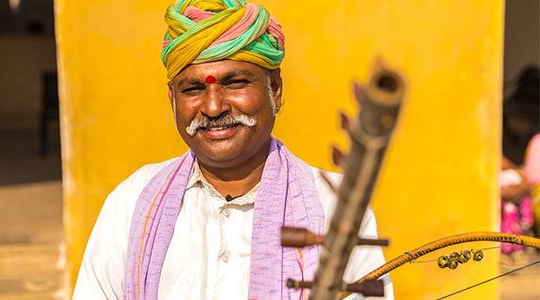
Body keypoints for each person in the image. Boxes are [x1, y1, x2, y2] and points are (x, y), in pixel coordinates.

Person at [72, 1, 393, 299]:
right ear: (173, 99)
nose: (213, 107)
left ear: (276, 90)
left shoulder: (336, 208)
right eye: (193, 89)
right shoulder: (133, 202)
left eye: (235, 83)